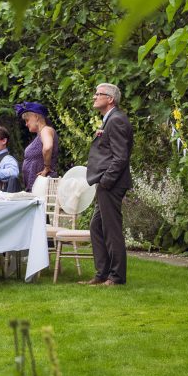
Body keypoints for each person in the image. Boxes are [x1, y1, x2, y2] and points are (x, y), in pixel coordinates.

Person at [83, 83, 134, 287]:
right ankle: (101, 274)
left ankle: (116, 277)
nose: (94, 97)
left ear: (110, 99)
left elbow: (120, 157)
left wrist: (106, 181)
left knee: (111, 229)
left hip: (111, 183)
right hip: (105, 183)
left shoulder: (117, 120)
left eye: (99, 94)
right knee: (96, 227)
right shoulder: (109, 120)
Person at [16, 101, 58, 189]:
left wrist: (47, 167)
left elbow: (47, 147)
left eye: (27, 120)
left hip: (44, 186)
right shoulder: (41, 134)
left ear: (36, 117)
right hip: (38, 186)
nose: (26, 124)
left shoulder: (46, 130)